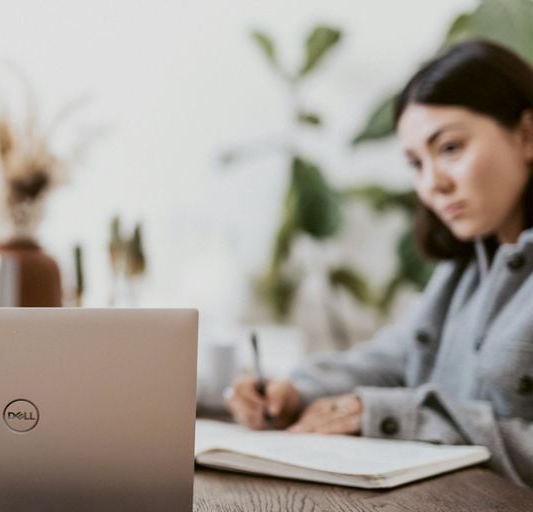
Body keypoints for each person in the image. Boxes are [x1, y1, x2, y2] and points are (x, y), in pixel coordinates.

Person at [227, 39, 533, 487]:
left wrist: (397, 416)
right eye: (415, 163)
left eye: (449, 148)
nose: (433, 184)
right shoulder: (466, 268)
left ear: (527, 136)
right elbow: (397, 357)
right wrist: (297, 389)